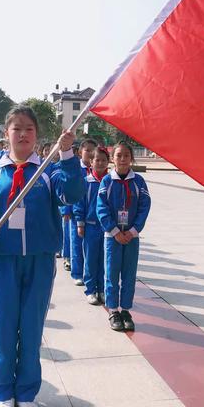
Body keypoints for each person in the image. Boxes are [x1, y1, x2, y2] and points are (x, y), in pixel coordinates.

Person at [0, 105, 84, 407]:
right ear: (6, 134)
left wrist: (68, 156)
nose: (23, 133)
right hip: (3, 261)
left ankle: (27, 392)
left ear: (37, 135)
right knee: (3, 328)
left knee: (31, 329)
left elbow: (72, 194)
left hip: (40, 261)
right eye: (16, 128)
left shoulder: (48, 172)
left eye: (29, 128)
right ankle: (3, 392)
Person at [97, 141, 151, 331]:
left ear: (131, 158)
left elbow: (144, 207)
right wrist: (114, 231)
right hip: (112, 237)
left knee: (129, 274)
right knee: (111, 273)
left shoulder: (138, 182)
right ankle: (113, 310)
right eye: (118, 155)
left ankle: (126, 310)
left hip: (131, 237)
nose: (122, 159)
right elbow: (101, 208)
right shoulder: (107, 181)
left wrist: (133, 230)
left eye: (126, 155)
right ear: (113, 158)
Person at [74, 146, 109, 305]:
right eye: (97, 160)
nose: (100, 163)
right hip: (91, 226)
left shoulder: (111, 182)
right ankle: (90, 289)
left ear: (108, 162)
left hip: (108, 228)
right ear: (91, 162)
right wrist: (80, 223)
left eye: (103, 160)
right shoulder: (86, 182)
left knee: (104, 260)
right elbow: (79, 204)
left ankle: (102, 289)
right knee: (90, 259)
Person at [69, 138, 98, 286]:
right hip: (76, 215)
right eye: (87, 150)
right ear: (80, 152)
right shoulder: (76, 169)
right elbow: (68, 190)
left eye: (93, 150)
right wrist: (66, 210)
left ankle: (90, 274)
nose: (90, 153)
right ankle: (77, 273)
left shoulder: (97, 169)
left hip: (92, 216)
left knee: (90, 249)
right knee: (76, 245)